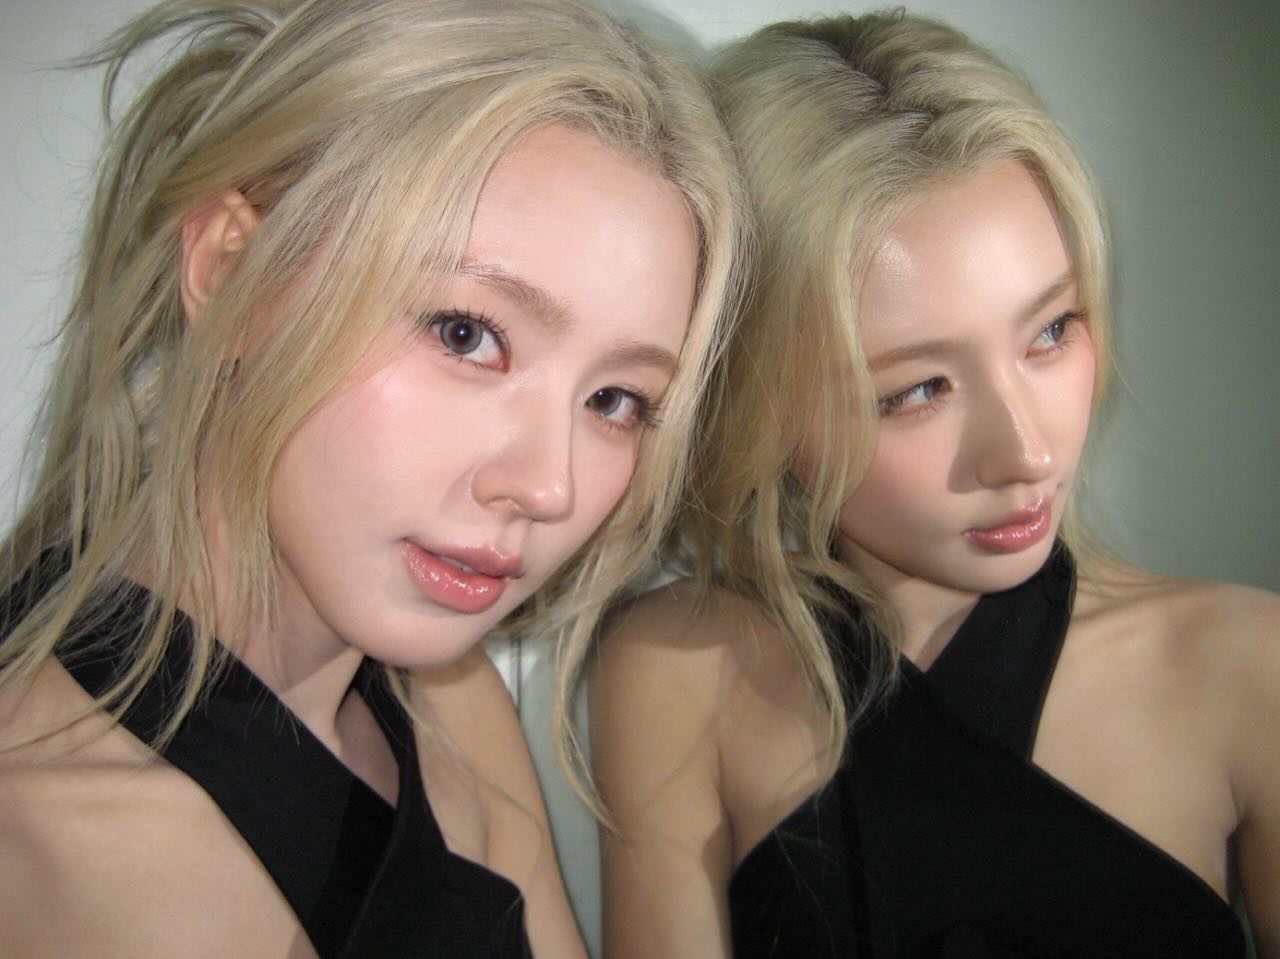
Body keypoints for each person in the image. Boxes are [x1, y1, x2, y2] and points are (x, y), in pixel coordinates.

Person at [0, 0, 747, 956]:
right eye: (466, 334)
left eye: (615, 399)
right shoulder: (49, 855)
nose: (548, 487)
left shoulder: (451, 702)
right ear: (231, 270)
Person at [593, 10, 1279, 958]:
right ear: (753, 402)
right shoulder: (674, 672)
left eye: (1052, 331)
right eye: (916, 389)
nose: (1027, 452)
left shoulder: (1247, 668)